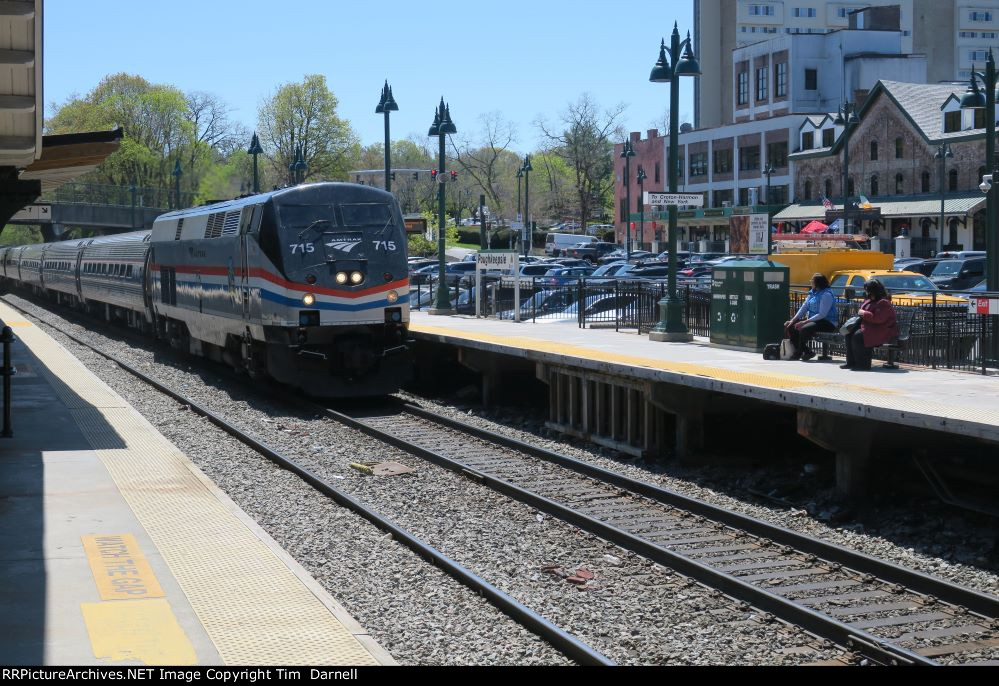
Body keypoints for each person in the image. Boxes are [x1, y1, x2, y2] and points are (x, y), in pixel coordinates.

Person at [842, 278, 898, 371]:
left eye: (867, 289)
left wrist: (863, 313)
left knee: (858, 336)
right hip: (871, 328)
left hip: (883, 330)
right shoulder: (870, 300)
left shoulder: (883, 302)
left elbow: (878, 319)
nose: (865, 291)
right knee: (849, 333)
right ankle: (851, 362)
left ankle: (863, 365)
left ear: (872, 290)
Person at [784, 273, 837, 360]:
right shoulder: (812, 294)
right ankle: (807, 351)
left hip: (827, 322)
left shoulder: (826, 295)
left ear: (818, 283)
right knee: (791, 327)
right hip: (814, 321)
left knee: (805, 328)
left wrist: (805, 322)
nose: (811, 283)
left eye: (812, 281)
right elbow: (804, 308)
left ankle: (799, 352)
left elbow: (822, 314)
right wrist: (793, 320)